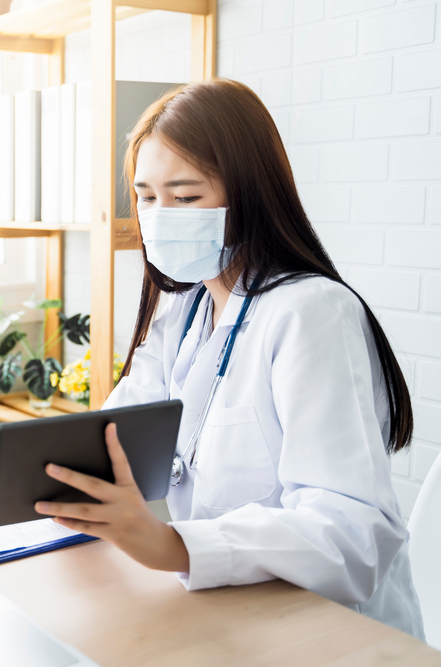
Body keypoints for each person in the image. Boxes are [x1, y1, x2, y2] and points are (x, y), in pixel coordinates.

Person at [34, 79, 425, 638]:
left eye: (186, 197)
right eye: (146, 197)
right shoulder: (187, 309)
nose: (161, 215)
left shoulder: (311, 313)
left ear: (250, 194)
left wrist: (173, 545)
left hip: (330, 633)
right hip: (231, 615)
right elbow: (113, 439)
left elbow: (353, 536)